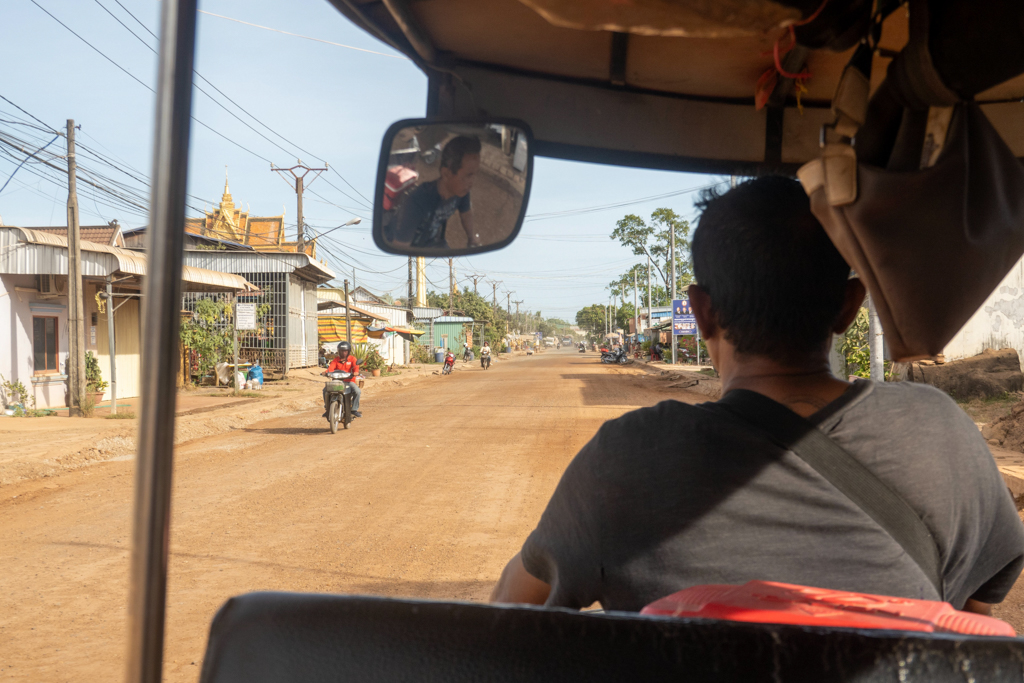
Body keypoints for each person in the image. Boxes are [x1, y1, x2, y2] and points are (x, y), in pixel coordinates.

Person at [490, 176, 1024, 615]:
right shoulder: (940, 432)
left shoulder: (626, 458)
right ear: (849, 306)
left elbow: (509, 616)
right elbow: (972, 617)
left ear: (701, 313)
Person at [394, 135, 481, 249]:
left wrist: (471, 238)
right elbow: (400, 247)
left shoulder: (461, 190)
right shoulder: (417, 202)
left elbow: (466, 213)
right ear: (446, 174)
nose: (472, 182)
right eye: (468, 175)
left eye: (474, 175)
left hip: (434, 242)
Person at [322, 341, 361, 418]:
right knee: (325, 390)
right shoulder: (336, 360)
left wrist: (356, 372)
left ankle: (354, 410)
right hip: (337, 382)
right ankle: (328, 409)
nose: (343, 353)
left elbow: (356, 368)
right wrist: (326, 372)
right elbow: (330, 368)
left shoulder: (352, 359)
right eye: (342, 351)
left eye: (345, 351)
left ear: (348, 351)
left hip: (349, 382)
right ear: (339, 351)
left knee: (357, 391)